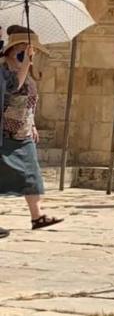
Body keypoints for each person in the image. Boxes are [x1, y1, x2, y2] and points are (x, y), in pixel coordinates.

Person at [0, 27, 61, 231]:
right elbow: (13, 89)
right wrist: (25, 64)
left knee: (32, 174)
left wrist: (32, 123)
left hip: (24, 133)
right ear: (12, 50)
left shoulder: (27, 72)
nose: (27, 53)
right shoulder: (4, 70)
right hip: (5, 133)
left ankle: (37, 216)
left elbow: (30, 102)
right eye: (23, 49)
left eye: (29, 49)